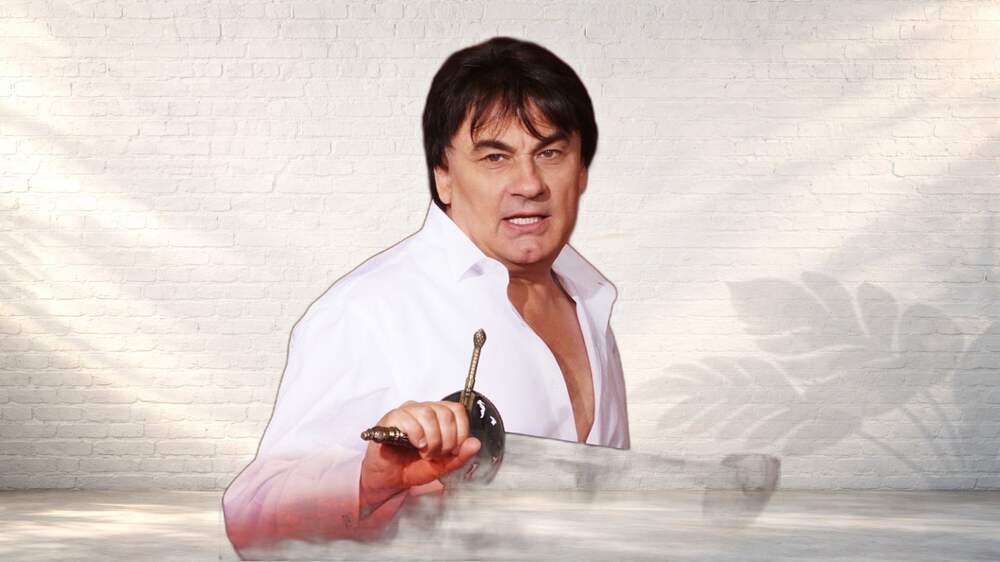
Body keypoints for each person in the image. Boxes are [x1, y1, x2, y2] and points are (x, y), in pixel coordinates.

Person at [222, 36, 629, 555]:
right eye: (495, 157)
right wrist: (368, 485)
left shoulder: (590, 300)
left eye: (549, 153)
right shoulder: (367, 310)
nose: (529, 183)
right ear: (444, 177)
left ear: (582, 170)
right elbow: (251, 516)